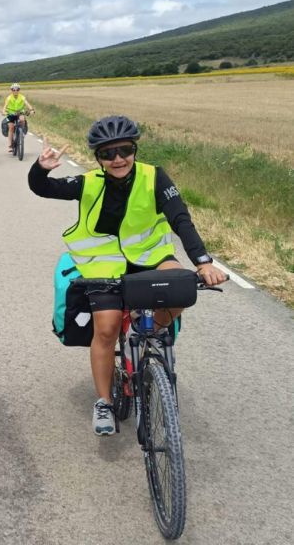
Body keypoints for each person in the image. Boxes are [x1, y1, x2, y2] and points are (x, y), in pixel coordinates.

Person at [29, 115, 227, 435]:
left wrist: (203, 262)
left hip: (151, 258)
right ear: (98, 158)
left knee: (181, 287)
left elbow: (180, 219)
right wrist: (41, 169)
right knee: (106, 328)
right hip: (101, 266)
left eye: (124, 150)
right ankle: (104, 402)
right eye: (108, 154)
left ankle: (146, 333)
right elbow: (42, 188)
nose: (118, 159)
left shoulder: (154, 177)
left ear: (134, 149)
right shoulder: (88, 183)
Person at [3, 83, 35, 153]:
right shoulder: (9, 98)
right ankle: (10, 145)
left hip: (20, 112)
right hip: (11, 113)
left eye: (17, 89)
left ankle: (22, 133)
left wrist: (31, 110)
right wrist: (4, 111)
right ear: (11, 90)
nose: (15, 91)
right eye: (13, 89)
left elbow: (27, 104)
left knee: (22, 119)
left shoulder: (22, 97)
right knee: (11, 127)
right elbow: (5, 107)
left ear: (19, 90)